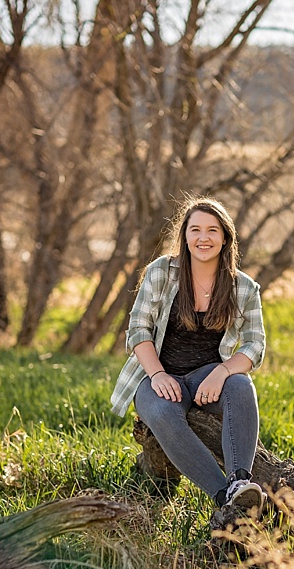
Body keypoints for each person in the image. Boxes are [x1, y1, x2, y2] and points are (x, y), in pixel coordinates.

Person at [109, 196, 267, 513]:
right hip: (156, 374)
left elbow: (255, 344)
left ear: (225, 238)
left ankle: (239, 481)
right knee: (164, 413)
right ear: (184, 236)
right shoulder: (161, 272)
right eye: (195, 230)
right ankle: (225, 498)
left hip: (207, 376)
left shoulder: (243, 288)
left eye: (212, 230)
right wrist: (157, 374)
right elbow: (138, 329)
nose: (203, 238)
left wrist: (221, 372)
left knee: (241, 386)